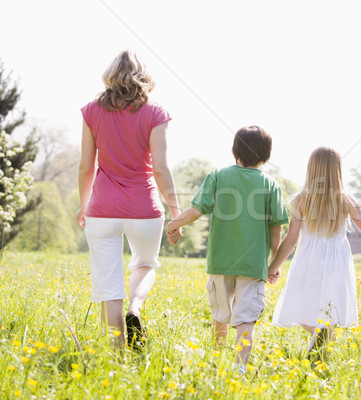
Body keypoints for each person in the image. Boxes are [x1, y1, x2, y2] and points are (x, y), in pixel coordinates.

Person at [77, 50, 181, 351]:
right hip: (144, 209)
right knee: (146, 265)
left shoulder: (91, 111)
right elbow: (160, 169)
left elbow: (86, 167)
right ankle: (135, 309)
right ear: (145, 78)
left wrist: (84, 206)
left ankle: (118, 357)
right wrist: (176, 212)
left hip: (102, 210)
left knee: (108, 285)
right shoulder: (156, 113)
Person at [166, 125, 288, 373]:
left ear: (235, 150)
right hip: (254, 265)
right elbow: (276, 230)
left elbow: (196, 210)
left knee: (220, 315)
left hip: (221, 261)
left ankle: (215, 362)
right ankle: (239, 370)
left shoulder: (218, 176)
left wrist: (173, 224)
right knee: (246, 321)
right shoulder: (271, 184)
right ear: (266, 155)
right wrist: (274, 263)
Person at [269, 147, 361, 359]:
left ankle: (319, 346)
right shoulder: (345, 200)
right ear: (338, 171)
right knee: (328, 308)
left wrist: (273, 266)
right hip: (338, 260)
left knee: (302, 308)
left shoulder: (301, 200)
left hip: (309, 258)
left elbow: (291, 239)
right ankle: (322, 341)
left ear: (311, 169)